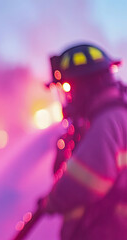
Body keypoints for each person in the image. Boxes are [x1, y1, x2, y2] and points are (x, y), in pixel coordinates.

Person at [43, 43, 127, 240]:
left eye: (70, 88)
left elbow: (84, 181)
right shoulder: (108, 117)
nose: (69, 97)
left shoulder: (110, 119)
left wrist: (52, 200)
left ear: (87, 85)